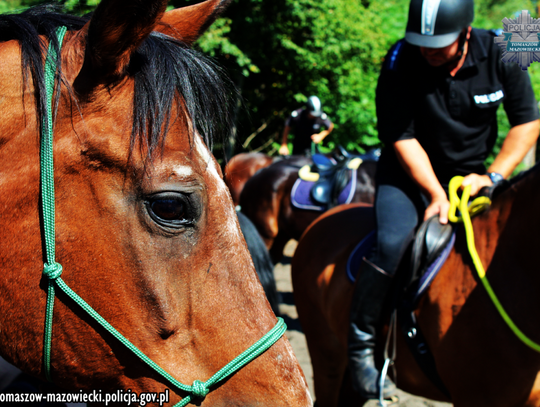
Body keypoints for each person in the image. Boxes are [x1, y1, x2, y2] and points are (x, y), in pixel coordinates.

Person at [348, 0, 540, 399]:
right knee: (392, 243)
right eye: (422, 42)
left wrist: (494, 176)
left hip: (476, 177)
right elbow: (400, 136)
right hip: (407, 177)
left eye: (441, 43)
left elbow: (527, 121)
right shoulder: (401, 57)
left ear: (467, 32)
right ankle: (361, 350)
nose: (429, 50)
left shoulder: (510, 44)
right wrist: (434, 193)